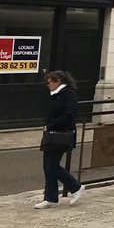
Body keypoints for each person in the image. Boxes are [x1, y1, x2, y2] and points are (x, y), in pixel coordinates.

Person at [36, 70, 85, 209]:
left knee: (52, 165)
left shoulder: (68, 94)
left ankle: (75, 187)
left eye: (50, 82)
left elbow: (69, 115)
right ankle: (50, 197)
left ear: (58, 81)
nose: (48, 85)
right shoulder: (54, 95)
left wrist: (51, 125)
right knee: (47, 165)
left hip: (62, 134)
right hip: (51, 134)